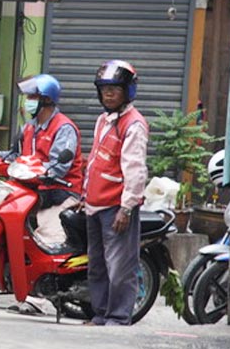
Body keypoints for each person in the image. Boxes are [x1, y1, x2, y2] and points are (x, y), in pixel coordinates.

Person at [3, 74, 84, 316]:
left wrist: (41, 171)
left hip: (61, 193)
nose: (27, 102)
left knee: (45, 238)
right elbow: (13, 156)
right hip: (36, 193)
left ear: (46, 101)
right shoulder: (29, 128)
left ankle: (42, 297)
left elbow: (58, 167)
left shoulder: (64, 128)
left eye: (33, 98)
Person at [82, 60, 149, 326]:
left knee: (119, 268)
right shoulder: (103, 120)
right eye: (104, 89)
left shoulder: (133, 124)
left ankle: (119, 317)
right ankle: (100, 314)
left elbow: (135, 169)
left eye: (115, 89)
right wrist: (84, 195)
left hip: (115, 207)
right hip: (94, 204)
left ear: (127, 91)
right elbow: (95, 161)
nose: (109, 94)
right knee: (96, 265)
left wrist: (127, 207)